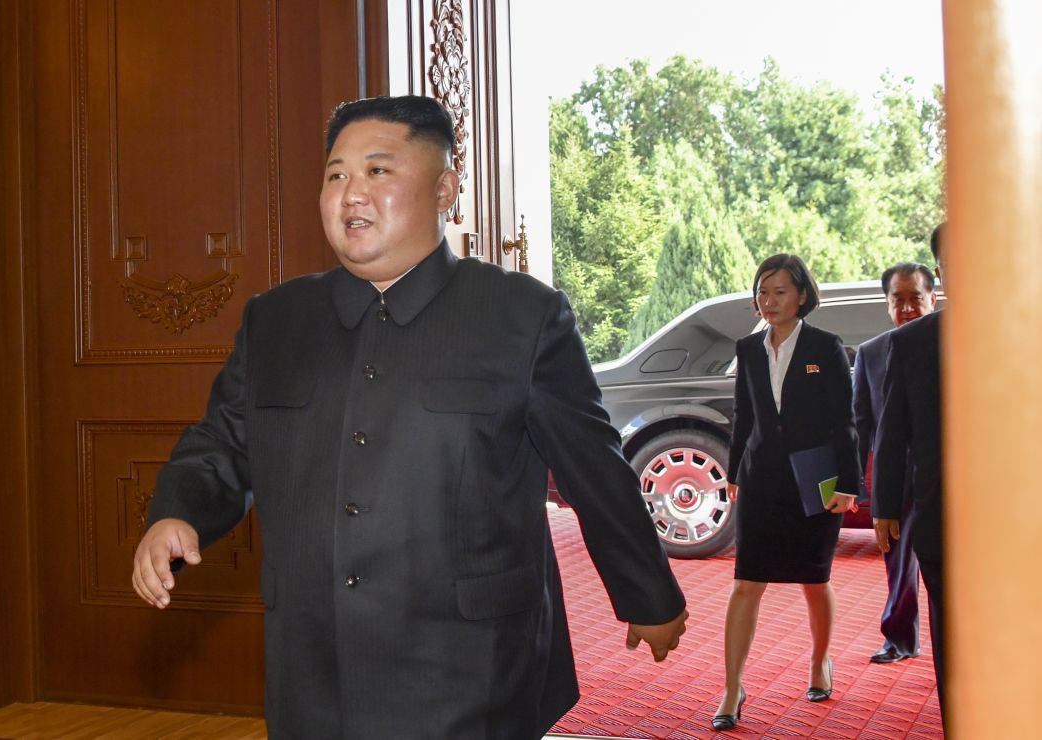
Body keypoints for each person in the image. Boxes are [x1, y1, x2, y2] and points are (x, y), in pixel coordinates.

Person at [130, 95, 688, 740]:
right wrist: (177, 511)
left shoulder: (521, 317)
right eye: (336, 174)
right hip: (317, 671)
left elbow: (594, 468)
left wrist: (648, 595)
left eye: (378, 171)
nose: (350, 193)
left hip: (473, 669)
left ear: (445, 188)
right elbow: (222, 445)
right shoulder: (277, 321)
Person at [713, 254, 861, 731]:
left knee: (814, 581)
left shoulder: (826, 346)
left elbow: (845, 422)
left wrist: (849, 485)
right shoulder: (748, 349)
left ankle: (820, 662)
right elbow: (745, 417)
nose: (769, 300)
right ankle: (733, 687)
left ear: (801, 295)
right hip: (760, 481)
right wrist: (734, 471)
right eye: (762, 291)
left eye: (779, 291)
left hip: (814, 481)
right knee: (745, 583)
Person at [873, 223, 948, 728]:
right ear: (943, 273)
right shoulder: (914, 344)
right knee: (954, 633)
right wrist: (881, 507)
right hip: (942, 515)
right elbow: (891, 429)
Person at [853, 262, 938, 664]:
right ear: (887, 305)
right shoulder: (870, 354)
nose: (906, 308)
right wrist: (859, 484)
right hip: (894, 475)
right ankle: (900, 638)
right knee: (898, 565)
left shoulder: (951, 342)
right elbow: (862, 424)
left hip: (938, 473)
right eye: (897, 300)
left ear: (932, 299)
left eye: (914, 299)